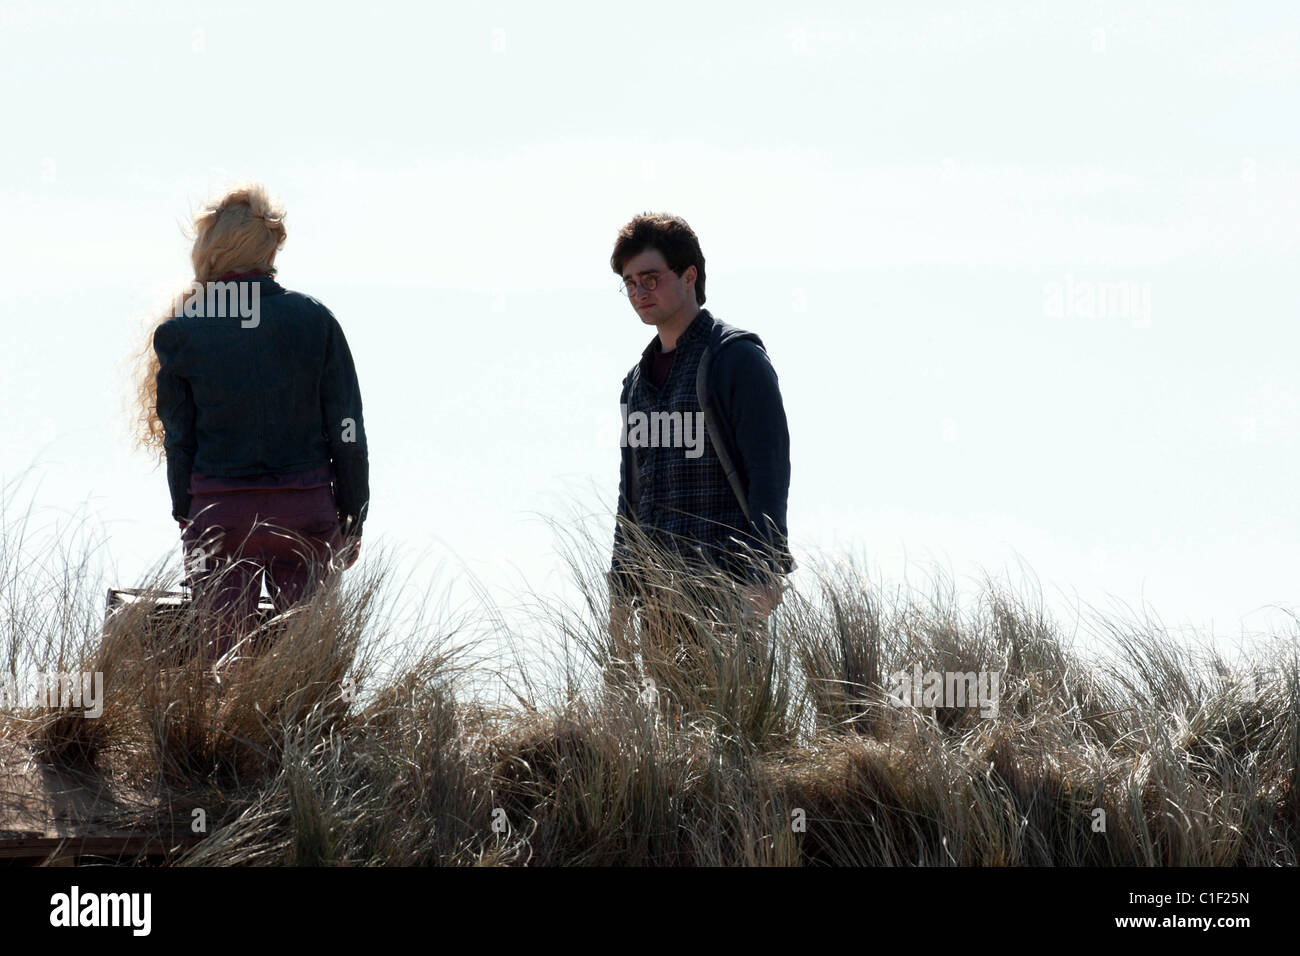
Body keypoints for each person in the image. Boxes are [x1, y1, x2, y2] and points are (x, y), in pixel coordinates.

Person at [133, 183, 369, 660]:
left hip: (218, 513)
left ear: (210, 248)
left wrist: (186, 513)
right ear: (272, 246)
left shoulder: (180, 331)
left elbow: (180, 440)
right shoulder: (315, 320)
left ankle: (220, 730)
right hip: (306, 513)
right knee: (311, 666)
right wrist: (354, 515)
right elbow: (347, 428)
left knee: (220, 661)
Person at [607, 212, 792, 689]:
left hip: (728, 594)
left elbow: (769, 472)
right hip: (658, 604)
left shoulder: (736, 360)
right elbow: (631, 501)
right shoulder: (636, 384)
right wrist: (620, 599)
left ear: (689, 276)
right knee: (673, 750)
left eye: (651, 278)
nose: (639, 292)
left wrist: (765, 572)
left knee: (738, 742)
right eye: (629, 283)